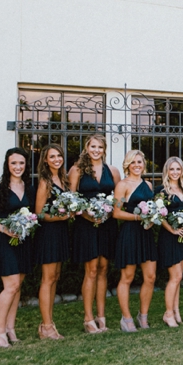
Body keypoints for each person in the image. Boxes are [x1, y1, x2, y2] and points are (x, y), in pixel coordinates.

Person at [0, 147, 35, 348]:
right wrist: (4, 229)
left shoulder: (29, 188)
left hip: (23, 241)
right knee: (10, 286)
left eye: (21, 163)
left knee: (18, 285)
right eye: (14, 163)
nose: (18, 167)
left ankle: (11, 328)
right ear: (7, 165)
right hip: (4, 241)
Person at [68, 134, 120, 334]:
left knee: (103, 268)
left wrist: (110, 211)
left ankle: (102, 316)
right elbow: (71, 200)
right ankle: (88, 319)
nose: (96, 150)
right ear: (86, 148)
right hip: (86, 225)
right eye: (93, 146)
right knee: (90, 269)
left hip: (107, 224)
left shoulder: (112, 171)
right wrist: (88, 215)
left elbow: (119, 198)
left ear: (104, 149)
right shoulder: (77, 170)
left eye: (100, 147)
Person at [113, 150, 158, 332]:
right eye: (133, 162)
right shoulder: (122, 185)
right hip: (130, 233)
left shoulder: (147, 184)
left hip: (146, 234)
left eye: (140, 161)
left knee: (150, 277)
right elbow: (116, 212)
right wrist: (138, 218)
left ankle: (143, 316)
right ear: (127, 165)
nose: (137, 165)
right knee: (128, 277)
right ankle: (126, 319)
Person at [34, 144, 72, 339]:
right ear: (46, 160)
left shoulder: (63, 180)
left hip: (61, 232)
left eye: (59, 156)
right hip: (49, 233)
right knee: (47, 279)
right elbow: (39, 213)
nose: (57, 159)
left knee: (55, 277)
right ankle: (46, 326)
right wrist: (59, 217)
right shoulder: (45, 182)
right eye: (52, 156)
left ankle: (48, 322)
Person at [156, 157, 183, 328]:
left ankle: (176, 310)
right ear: (167, 171)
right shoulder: (161, 191)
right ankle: (168, 313)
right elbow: (158, 214)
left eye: (178, 169)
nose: (175, 172)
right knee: (176, 276)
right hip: (169, 237)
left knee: (179, 277)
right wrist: (171, 229)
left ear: (182, 171)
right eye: (171, 169)